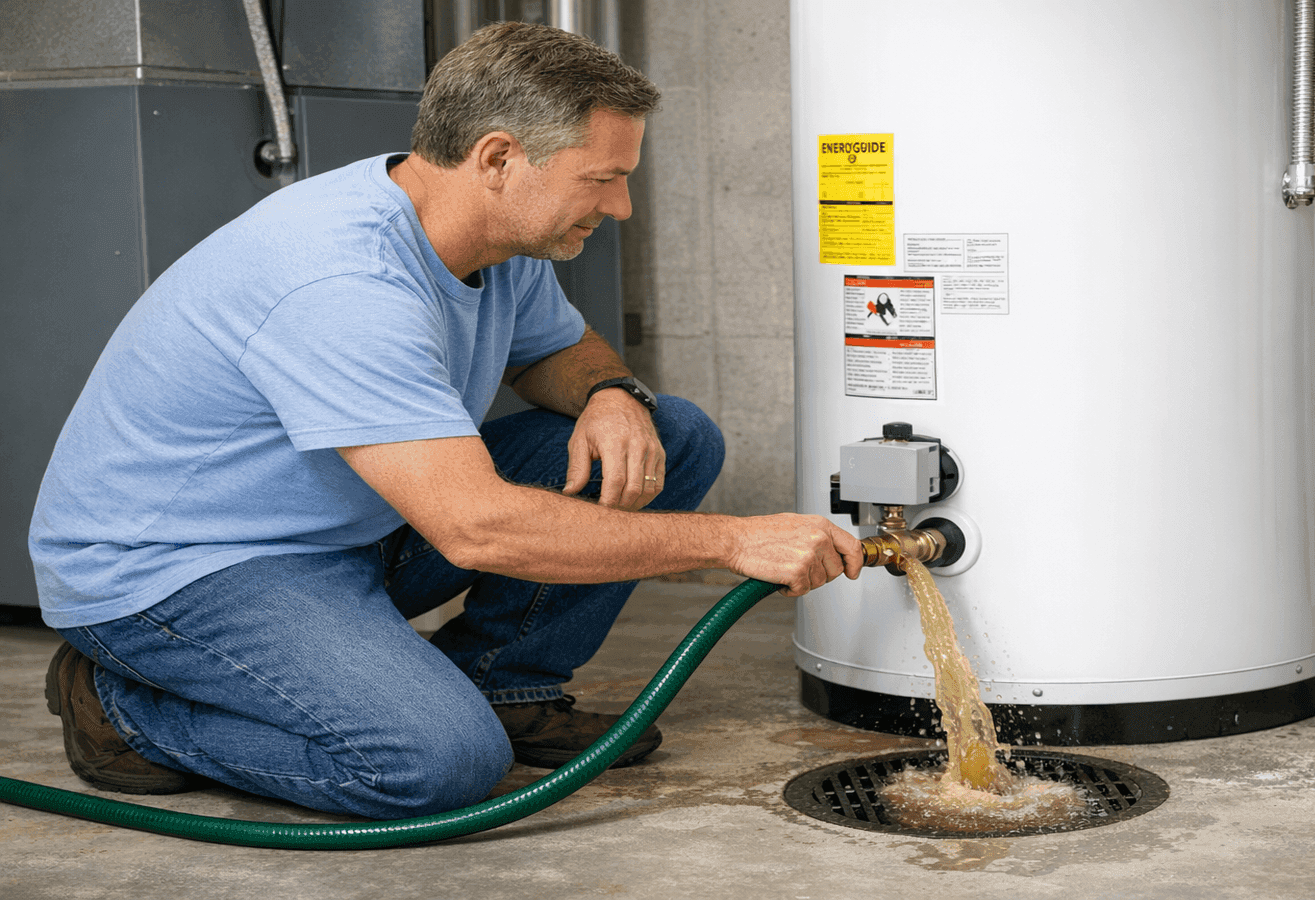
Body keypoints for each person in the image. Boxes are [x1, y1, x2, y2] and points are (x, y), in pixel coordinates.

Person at [29, 22, 861, 819]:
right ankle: (120, 707)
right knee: (434, 762)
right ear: (498, 157)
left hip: (346, 524)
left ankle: (508, 685)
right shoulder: (342, 282)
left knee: (669, 434)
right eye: (602, 178)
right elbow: (477, 529)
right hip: (184, 568)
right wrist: (730, 541)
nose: (622, 207)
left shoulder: (490, 235)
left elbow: (555, 355)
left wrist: (613, 394)